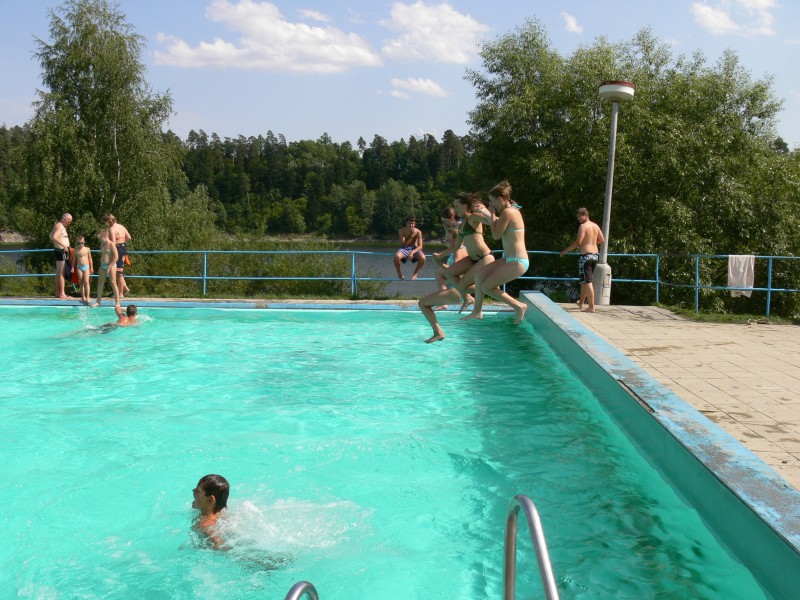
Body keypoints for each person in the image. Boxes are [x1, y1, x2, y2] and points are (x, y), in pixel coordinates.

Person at [418, 193, 495, 342]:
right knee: (449, 273)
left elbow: (491, 221)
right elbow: (456, 246)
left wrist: (484, 210)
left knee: (463, 285)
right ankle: (473, 295)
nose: (455, 209)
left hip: (484, 257)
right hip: (472, 259)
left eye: (457, 206)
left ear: (465, 205)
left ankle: (483, 293)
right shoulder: (462, 224)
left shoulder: (473, 217)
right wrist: (440, 255)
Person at [462, 181, 528, 324]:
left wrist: (490, 213)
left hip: (517, 262)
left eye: (492, 201)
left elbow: (496, 235)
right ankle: (477, 311)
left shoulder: (508, 212)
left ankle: (519, 306)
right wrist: (486, 212)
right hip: (510, 259)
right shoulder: (510, 210)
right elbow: (498, 223)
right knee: (479, 275)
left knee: (486, 287)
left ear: (499, 199)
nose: (492, 204)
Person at [560, 207, 605, 313]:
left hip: (586, 257)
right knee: (584, 281)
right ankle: (581, 302)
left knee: (588, 282)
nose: (578, 219)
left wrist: (565, 250)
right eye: (577, 217)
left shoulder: (583, 226)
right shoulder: (595, 225)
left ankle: (591, 307)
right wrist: (591, 242)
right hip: (595, 256)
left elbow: (578, 242)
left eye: (579, 216)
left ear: (585, 215)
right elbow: (602, 240)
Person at [192, 474, 230, 549]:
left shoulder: (203, 525)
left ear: (210, 500)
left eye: (197, 491)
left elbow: (220, 545)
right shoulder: (220, 514)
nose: (193, 491)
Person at [105, 214, 132, 298]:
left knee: (118, 272)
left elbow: (113, 242)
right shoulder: (121, 226)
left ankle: (120, 293)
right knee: (119, 271)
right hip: (123, 248)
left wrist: (109, 248)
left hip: (117, 249)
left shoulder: (112, 229)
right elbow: (129, 237)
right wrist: (121, 240)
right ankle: (125, 287)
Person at [91, 229, 120, 308]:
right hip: (103, 266)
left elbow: (116, 257)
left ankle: (117, 303)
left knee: (113, 283)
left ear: (105, 236)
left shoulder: (111, 244)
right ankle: (98, 302)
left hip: (111, 265)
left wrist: (109, 266)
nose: (99, 239)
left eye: (100, 238)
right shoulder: (102, 244)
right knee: (100, 283)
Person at [49, 213, 72, 299]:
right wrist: (64, 245)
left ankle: (58, 292)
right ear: (64, 219)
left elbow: (51, 236)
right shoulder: (60, 226)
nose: (69, 224)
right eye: (68, 222)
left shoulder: (57, 225)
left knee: (59, 272)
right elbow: (54, 237)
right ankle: (62, 293)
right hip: (61, 251)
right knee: (62, 272)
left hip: (59, 250)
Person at [71, 235, 94, 305]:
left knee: (86, 281)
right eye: (79, 243)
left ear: (84, 242)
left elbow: (90, 259)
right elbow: (74, 260)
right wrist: (72, 267)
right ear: (77, 243)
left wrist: (91, 267)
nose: (81, 245)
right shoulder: (76, 250)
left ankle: (88, 297)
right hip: (79, 267)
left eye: (82, 243)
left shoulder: (87, 249)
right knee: (81, 282)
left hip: (86, 266)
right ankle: (83, 297)